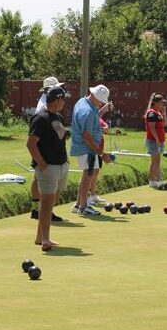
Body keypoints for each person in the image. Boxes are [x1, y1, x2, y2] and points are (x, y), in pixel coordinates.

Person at [27, 86, 70, 251]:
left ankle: (40, 237)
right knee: (46, 203)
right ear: (57, 100)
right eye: (63, 100)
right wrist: (42, 165)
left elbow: (58, 138)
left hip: (61, 165)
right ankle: (45, 239)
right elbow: (31, 144)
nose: (64, 103)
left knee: (52, 200)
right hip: (48, 167)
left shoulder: (57, 117)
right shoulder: (40, 118)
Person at [70, 84, 113, 216]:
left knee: (87, 175)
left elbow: (95, 117)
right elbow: (87, 136)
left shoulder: (83, 102)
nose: (101, 103)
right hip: (87, 148)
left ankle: (78, 204)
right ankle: (83, 207)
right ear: (93, 95)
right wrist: (101, 153)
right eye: (100, 100)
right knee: (88, 175)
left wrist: (103, 109)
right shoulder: (87, 111)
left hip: (85, 147)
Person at [30, 76, 64, 223]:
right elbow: (35, 136)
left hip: (48, 151)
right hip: (44, 151)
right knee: (39, 179)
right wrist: (41, 162)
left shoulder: (49, 104)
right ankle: (39, 210)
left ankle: (39, 210)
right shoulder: (43, 108)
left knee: (38, 179)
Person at [144, 93, 167, 188]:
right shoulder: (151, 113)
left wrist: (164, 113)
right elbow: (151, 127)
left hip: (159, 140)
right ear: (156, 103)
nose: (163, 105)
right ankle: (157, 181)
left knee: (155, 161)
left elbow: (165, 124)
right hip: (154, 141)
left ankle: (152, 180)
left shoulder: (158, 113)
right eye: (162, 103)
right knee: (156, 161)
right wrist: (157, 139)